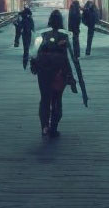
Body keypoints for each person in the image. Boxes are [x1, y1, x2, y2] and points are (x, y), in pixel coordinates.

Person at [29, 10, 81, 138]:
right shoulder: (66, 35)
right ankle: (54, 127)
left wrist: (34, 64)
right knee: (57, 99)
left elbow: (34, 52)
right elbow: (71, 57)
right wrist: (72, 77)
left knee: (45, 98)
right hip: (60, 71)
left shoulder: (41, 34)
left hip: (43, 71)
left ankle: (44, 126)